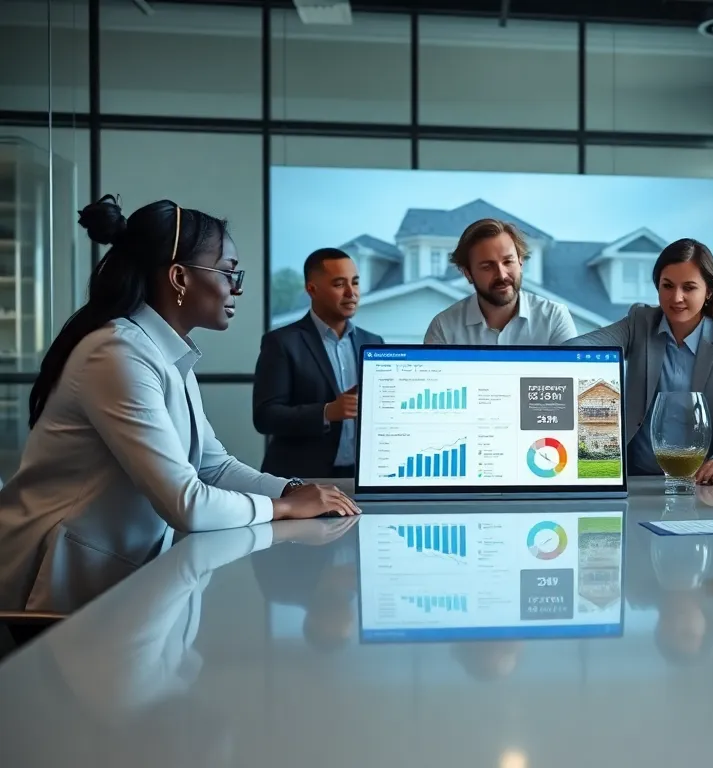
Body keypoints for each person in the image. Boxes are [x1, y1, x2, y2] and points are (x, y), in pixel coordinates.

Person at [0, 196, 358, 613]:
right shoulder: (117, 353)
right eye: (228, 273)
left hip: (119, 577)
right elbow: (187, 503)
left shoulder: (165, 351)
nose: (237, 287)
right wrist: (286, 506)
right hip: (61, 582)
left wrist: (295, 489)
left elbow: (214, 466)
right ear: (179, 278)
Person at [568, 238, 713, 484]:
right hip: (634, 477)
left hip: (701, 481)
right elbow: (578, 348)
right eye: (667, 286)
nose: (676, 297)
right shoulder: (640, 321)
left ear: (709, 291)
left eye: (689, 287)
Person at [252, 248, 384, 479]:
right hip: (299, 479)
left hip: (361, 477)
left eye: (355, 283)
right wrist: (327, 412)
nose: (351, 293)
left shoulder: (373, 342)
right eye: (339, 284)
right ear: (312, 289)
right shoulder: (282, 342)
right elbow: (265, 417)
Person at [423, 218, 576, 345]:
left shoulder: (553, 317)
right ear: (468, 273)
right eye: (487, 266)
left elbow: (570, 379)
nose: (502, 275)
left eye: (508, 262)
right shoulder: (443, 327)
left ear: (521, 262)